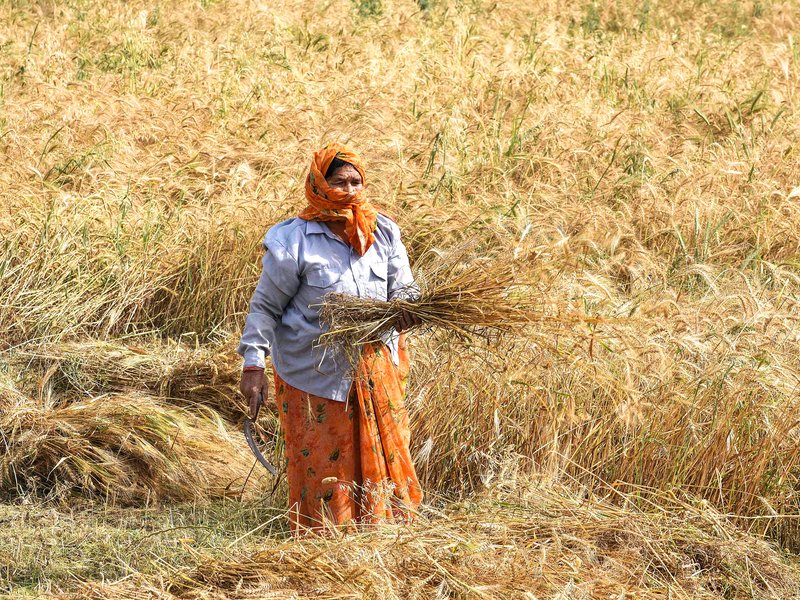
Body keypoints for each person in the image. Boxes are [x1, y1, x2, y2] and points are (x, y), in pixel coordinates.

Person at [238, 143, 422, 534]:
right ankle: (324, 537)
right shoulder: (293, 241)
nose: (350, 191)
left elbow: (404, 288)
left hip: (373, 367)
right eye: (339, 182)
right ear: (319, 185)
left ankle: (383, 532)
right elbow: (265, 308)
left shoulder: (383, 232)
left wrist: (409, 308)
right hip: (314, 373)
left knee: (384, 450)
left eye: (356, 182)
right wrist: (253, 363)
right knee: (325, 462)